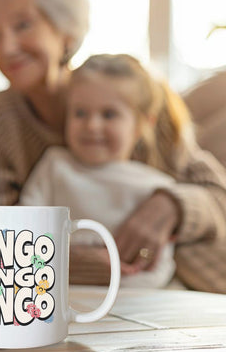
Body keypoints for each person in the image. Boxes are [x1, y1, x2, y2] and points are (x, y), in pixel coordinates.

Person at [0, 0, 226, 289]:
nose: (6, 48)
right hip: (81, 297)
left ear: (66, 30)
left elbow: (219, 195)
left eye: (23, 25)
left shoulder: (130, 94)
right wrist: (70, 263)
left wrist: (172, 205)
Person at [20, 54, 181, 287]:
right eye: (80, 113)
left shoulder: (158, 188)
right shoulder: (54, 165)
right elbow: (23, 228)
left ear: (142, 124)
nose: (92, 126)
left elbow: (159, 267)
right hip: (58, 295)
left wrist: (121, 283)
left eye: (109, 114)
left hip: (134, 302)